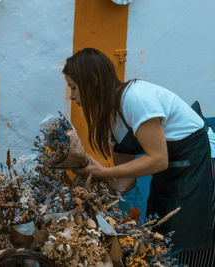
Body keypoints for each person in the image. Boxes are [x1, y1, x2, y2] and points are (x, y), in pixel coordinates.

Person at [63, 48, 215, 266]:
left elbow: (157, 159)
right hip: (172, 170)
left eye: (74, 87)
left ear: (93, 81)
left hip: (201, 162)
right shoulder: (110, 119)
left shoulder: (135, 99)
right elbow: (127, 179)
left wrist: (103, 172)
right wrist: (96, 205)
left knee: (192, 238)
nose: (72, 96)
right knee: (160, 234)